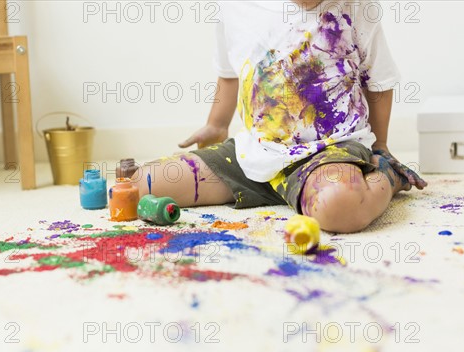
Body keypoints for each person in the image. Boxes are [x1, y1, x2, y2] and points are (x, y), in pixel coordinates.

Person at [131, 0, 427, 233]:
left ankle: (388, 175)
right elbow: (229, 75)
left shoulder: (357, 6)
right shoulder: (235, 7)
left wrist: (382, 145)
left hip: (331, 150)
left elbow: (378, 82)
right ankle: (286, 192)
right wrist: (216, 125)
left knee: (340, 208)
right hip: (258, 154)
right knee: (144, 183)